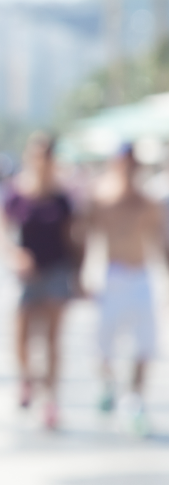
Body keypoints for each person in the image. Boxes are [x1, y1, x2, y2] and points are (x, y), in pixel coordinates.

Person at [0, 133, 79, 430]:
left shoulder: (63, 196)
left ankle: (51, 400)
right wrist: (13, 255)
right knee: (20, 335)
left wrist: (79, 274)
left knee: (52, 339)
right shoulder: (15, 192)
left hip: (56, 270)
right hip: (24, 273)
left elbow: (73, 237)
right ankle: (26, 379)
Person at [84, 144, 165, 434]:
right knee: (102, 344)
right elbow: (86, 238)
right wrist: (82, 275)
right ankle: (108, 384)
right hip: (112, 276)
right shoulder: (101, 199)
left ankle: (135, 400)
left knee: (145, 344)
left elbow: (160, 242)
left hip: (140, 277)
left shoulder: (147, 201)